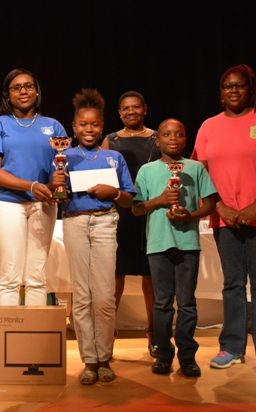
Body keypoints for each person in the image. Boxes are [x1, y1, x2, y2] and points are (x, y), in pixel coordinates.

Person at [193, 64, 256, 375]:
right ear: (220, 94)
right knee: (233, 284)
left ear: (250, 90)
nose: (234, 91)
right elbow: (200, 172)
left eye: (239, 86)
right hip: (225, 216)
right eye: (228, 86)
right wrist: (220, 207)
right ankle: (231, 347)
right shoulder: (209, 126)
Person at [50, 89, 135, 385]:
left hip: (104, 223)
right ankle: (89, 359)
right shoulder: (63, 156)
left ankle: (104, 357)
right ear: (73, 127)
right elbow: (56, 196)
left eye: (95, 125)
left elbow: (127, 200)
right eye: (83, 125)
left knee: (105, 295)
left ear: (102, 126)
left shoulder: (114, 157)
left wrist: (113, 193)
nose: (89, 130)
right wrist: (55, 184)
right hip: (73, 223)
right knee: (82, 295)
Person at [132, 119, 217, 377]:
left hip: (188, 243)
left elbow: (211, 202)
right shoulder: (147, 170)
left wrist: (190, 216)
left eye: (178, 134)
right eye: (166, 134)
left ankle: (188, 356)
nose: (172, 138)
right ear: (157, 140)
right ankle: (164, 354)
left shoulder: (195, 168)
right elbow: (136, 208)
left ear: (185, 140)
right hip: (158, 244)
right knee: (162, 303)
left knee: (187, 302)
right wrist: (159, 200)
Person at [0, 68, 67, 306]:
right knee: (10, 275)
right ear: (8, 95)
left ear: (37, 91)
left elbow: (60, 167)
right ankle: (8, 337)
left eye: (28, 86)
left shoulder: (54, 126)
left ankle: (33, 341)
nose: (23, 91)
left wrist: (55, 187)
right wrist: (32, 185)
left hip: (44, 204)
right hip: (8, 204)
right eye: (16, 87)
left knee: (37, 276)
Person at [101, 91, 160, 357]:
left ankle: (154, 333)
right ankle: (107, 335)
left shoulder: (160, 138)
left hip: (152, 211)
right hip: (120, 213)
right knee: (115, 276)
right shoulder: (109, 140)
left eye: (136, 107)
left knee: (152, 276)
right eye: (126, 108)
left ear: (145, 109)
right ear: (119, 112)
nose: (131, 111)